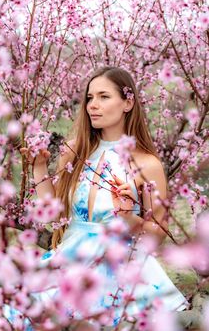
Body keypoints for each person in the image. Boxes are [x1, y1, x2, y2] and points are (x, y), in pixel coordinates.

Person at [10, 66, 187, 329]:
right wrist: (38, 170)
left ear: (128, 102)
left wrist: (130, 218)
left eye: (104, 97)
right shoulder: (74, 153)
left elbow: (158, 235)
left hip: (120, 273)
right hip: (71, 260)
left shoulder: (147, 164)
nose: (93, 105)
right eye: (90, 98)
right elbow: (57, 216)